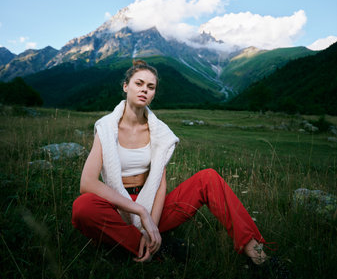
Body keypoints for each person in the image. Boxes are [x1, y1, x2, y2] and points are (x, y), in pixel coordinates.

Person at [72, 59, 271, 266]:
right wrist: (138, 211)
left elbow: (159, 184)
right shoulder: (106, 127)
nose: (144, 90)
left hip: (152, 204)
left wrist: (152, 224)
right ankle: (157, 248)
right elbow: (87, 183)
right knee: (83, 207)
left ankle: (258, 256)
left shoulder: (159, 132)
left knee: (208, 178)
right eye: (138, 83)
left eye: (151, 87)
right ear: (125, 86)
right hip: (117, 206)